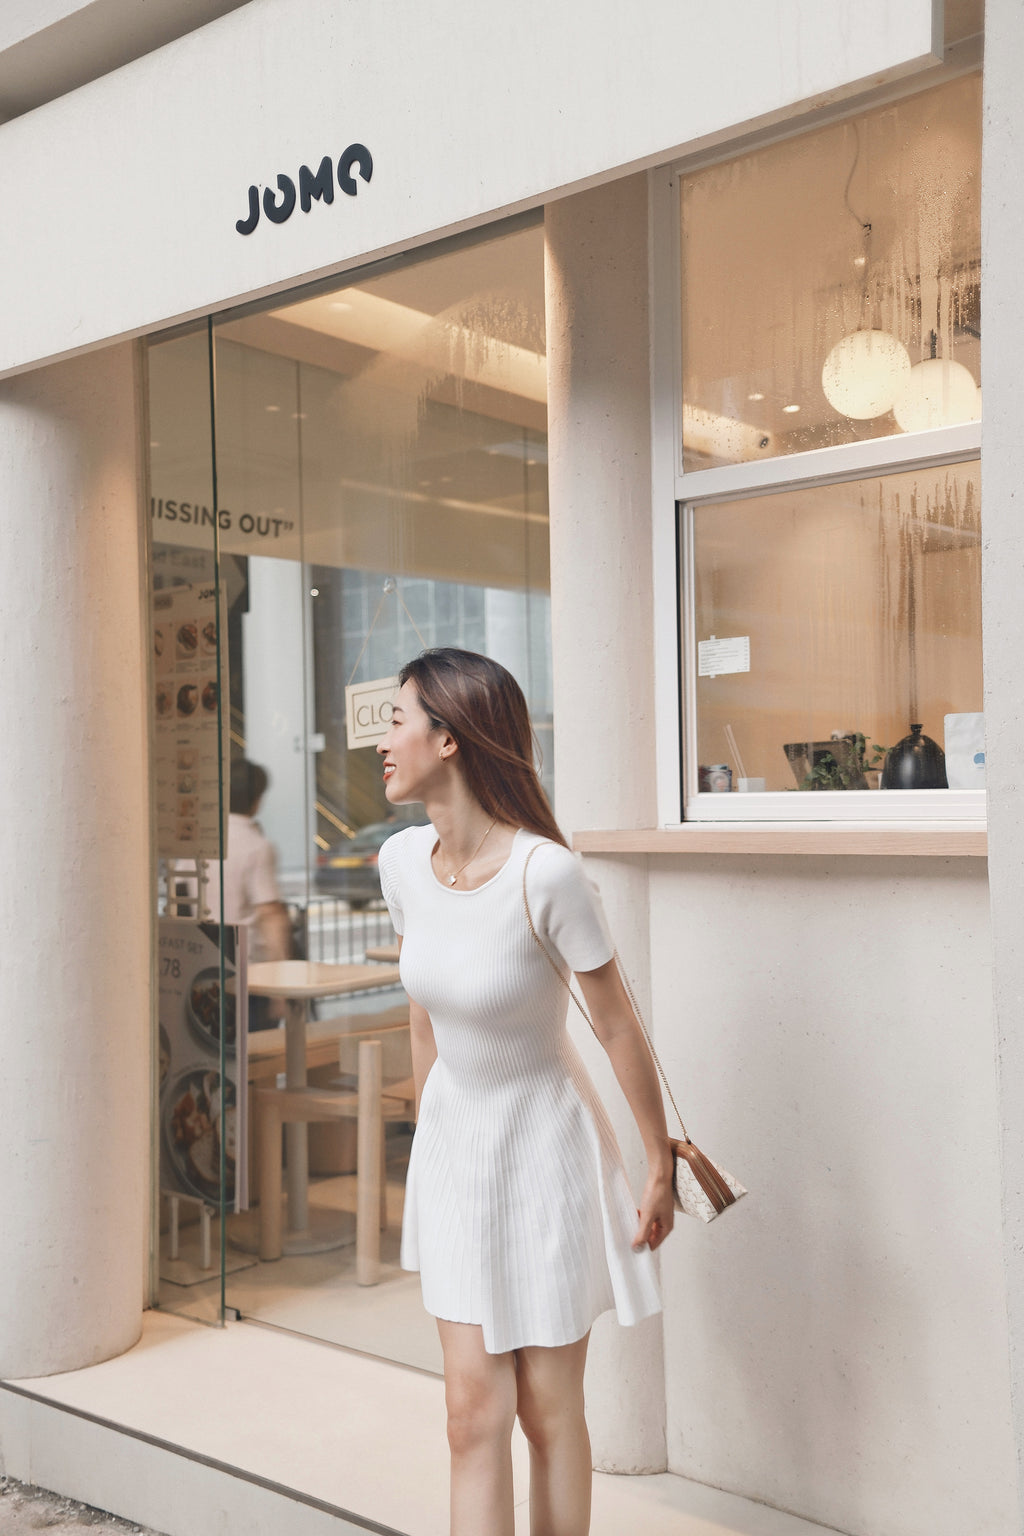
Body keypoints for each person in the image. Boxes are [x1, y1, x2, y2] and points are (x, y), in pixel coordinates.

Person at [375, 648, 675, 1536]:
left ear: (451, 738)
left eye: (397, 720)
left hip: (544, 1153)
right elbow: (424, 1015)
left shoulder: (545, 873)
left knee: (547, 1415)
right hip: (459, 1154)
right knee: (471, 1416)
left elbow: (617, 1026)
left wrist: (656, 1164)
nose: (382, 742)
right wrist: (430, 1146)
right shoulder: (399, 863)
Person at [203, 758, 291, 1028]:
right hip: (250, 978)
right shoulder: (255, 846)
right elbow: (270, 916)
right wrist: (282, 991)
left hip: (201, 970)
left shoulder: (200, 840)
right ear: (256, 799)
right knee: (253, 1063)